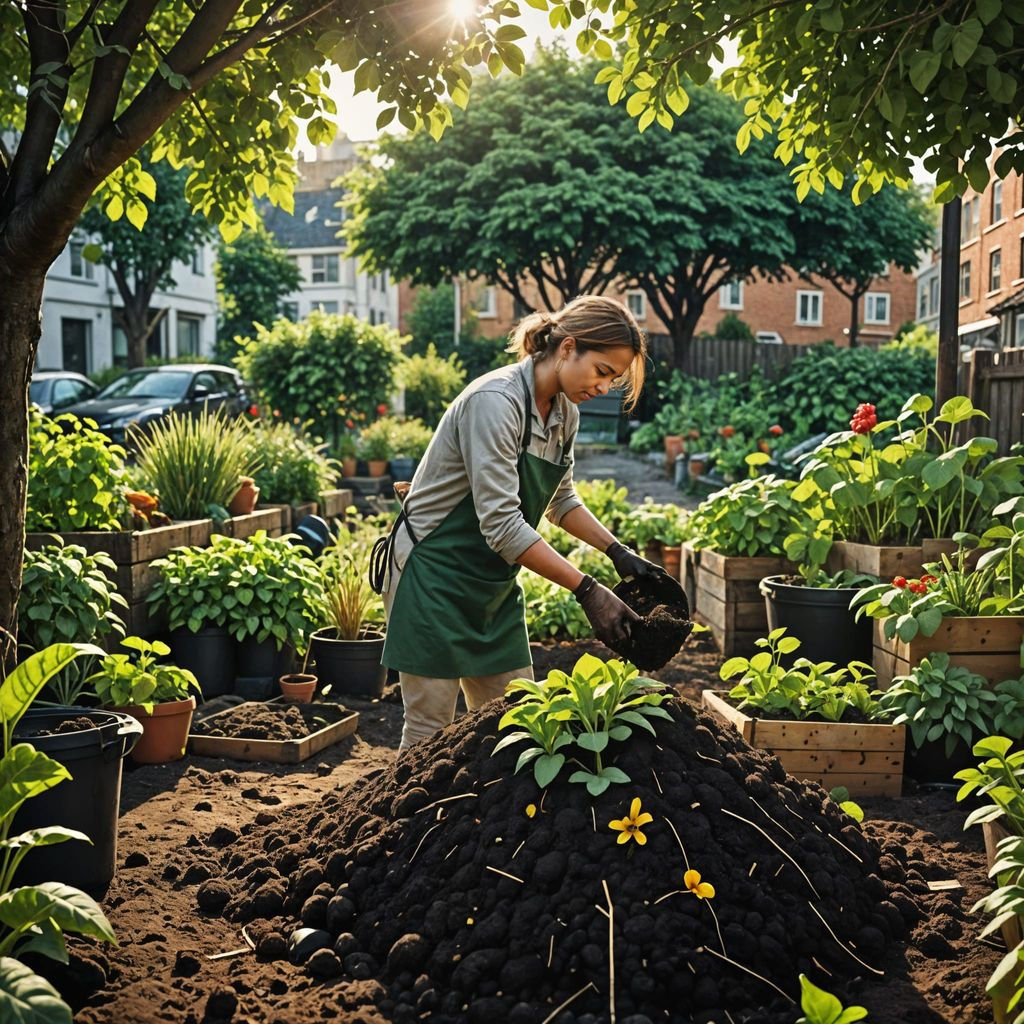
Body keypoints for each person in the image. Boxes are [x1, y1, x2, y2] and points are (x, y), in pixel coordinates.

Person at [375, 295, 670, 751]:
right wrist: (588, 590)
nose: (603, 387)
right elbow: (503, 526)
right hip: (432, 577)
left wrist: (618, 553)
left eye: (613, 380)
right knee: (429, 732)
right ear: (568, 347)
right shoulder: (495, 402)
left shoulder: (564, 413)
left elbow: (561, 501)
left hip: (491, 586)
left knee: (518, 724)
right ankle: (414, 821)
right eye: (602, 371)